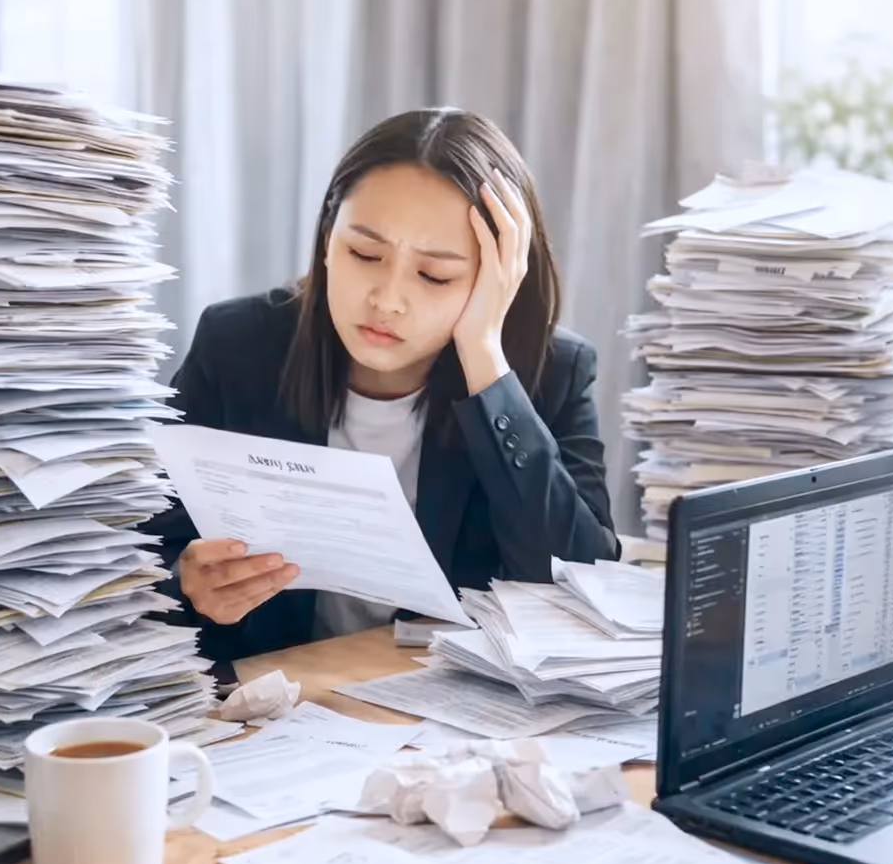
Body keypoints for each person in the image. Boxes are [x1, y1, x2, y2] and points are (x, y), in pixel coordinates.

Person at [147, 108, 618, 661]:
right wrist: (188, 582)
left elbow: (582, 587)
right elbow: (141, 544)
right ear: (328, 237)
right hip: (276, 704)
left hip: (461, 724)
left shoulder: (548, 372)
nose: (387, 299)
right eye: (364, 253)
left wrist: (484, 357)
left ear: (499, 277)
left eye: (435, 274)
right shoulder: (239, 345)